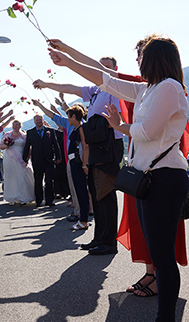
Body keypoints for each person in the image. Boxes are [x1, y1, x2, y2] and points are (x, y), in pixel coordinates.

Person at [49, 36, 189, 322]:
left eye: (142, 57)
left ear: (156, 59)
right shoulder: (148, 88)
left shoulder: (169, 88)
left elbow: (146, 131)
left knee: (162, 254)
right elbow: (106, 79)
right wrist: (67, 59)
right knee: (158, 250)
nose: (138, 61)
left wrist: (119, 126)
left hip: (165, 178)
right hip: (150, 177)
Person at [34, 57, 124, 255]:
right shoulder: (96, 89)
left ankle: (109, 242)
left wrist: (98, 125)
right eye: (98, 67)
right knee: (96, 192)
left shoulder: (115, 88)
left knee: (105, 193)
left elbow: (117, 119)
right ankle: (99, 237)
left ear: (115, 69)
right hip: (96, 145)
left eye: (106, 67)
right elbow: (72, 88)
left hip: (109, 145)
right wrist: (46, 84)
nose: (101, 70)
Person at [32, 99, 89, 231]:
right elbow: (53, 115)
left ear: (74, 117)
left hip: (78, 161)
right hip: (72, 161)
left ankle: (83, 218)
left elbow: (85, 146)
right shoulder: (73, 126)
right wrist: (40, 105)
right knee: (76, 189)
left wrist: (85, 164)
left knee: (81, 190)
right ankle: (79, 214)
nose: (67, 119)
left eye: (69, 116)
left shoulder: (81, 127)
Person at [22, 114, 61, 207]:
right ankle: (38, 200)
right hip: (37, 159)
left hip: (49, 159)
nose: (39, 121)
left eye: (40, 119)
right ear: (34, 121)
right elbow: (27, 146)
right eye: (37, 120)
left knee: (49, 180)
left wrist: (58, 157)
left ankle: (49, 200)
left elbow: (55, 145)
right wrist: (25, 158)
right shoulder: (30, 132)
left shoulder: (50, 131)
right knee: (38, 180)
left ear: (43, 120)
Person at [0, 119, 35, 205]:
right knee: (11, 177)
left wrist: (28, 157)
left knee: (23, 176)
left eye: (17, 124)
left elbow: (28, 147)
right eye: (14, 125)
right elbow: (1, 146)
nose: (15, 126)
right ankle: (12, 197)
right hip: (10, 159)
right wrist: (7, 144)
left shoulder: (24, 136)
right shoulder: (7, 135)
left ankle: (23, 197)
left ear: (20, 126)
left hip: (21, 158)